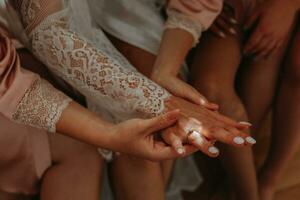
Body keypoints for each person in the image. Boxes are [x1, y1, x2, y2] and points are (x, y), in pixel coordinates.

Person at [4, 0, 255, 199]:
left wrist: (164, 74)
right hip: (35, 40)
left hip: (118, 18)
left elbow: (195, 4)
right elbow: (47, 37)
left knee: (149, 125)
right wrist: (161, 103)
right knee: (144, 124)